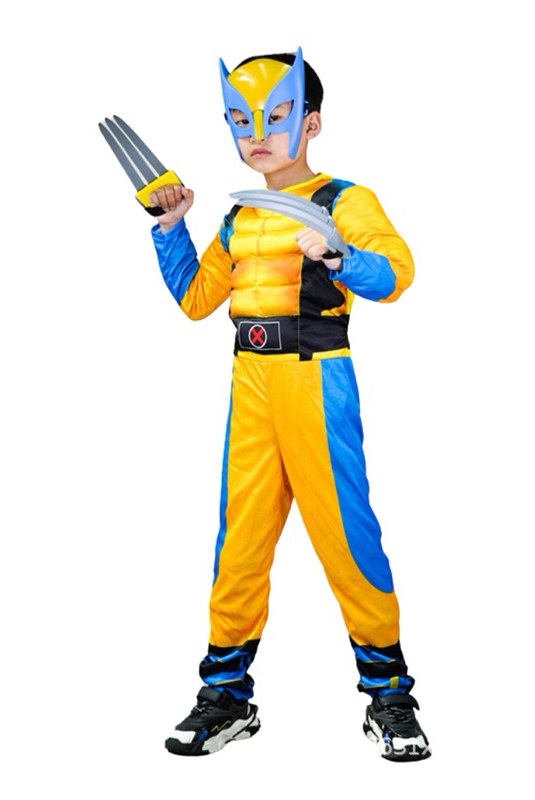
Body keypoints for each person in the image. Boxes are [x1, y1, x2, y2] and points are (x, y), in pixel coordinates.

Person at [149, 48, 430, 762]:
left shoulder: (345, 200)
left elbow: (397, 274)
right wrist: (172, 227)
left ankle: (389, 695)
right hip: (250, 381)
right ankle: (225, 695)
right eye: (241, 120)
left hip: (316, 377)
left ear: (311, 122)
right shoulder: (239, 216)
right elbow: (197, 300)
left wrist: (339, 257)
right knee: (240, 541)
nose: (257, 135)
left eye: (274, 116)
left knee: (345, 535)